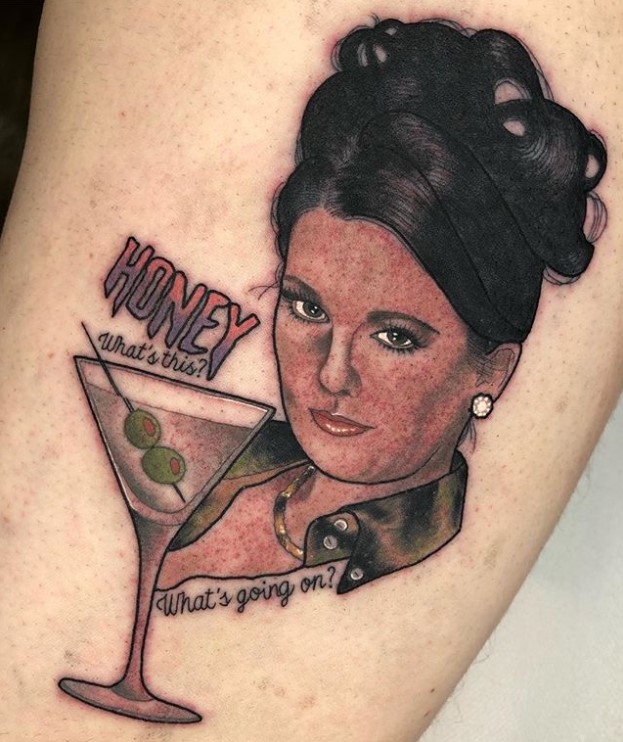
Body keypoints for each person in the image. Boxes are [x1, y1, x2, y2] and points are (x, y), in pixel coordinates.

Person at [160, 19, 607, 594]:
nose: (332, 374)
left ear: (492, 371)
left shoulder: (416, 574)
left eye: (395, 337)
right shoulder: (216, 457)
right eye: (307, 309)